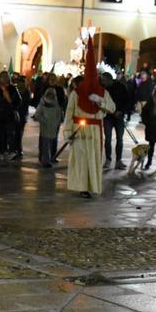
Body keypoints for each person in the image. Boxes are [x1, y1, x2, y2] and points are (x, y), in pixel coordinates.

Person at [63, 40, 114, 197]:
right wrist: (67, 132)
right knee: (81, 160)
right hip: (80, 131)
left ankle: (92, 186)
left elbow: (112, 108)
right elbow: (69, 114)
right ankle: (82, 187)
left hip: (96, 131)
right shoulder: (76, 93)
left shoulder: (103, 93)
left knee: (94, 160)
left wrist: (100, 101)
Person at [100, 71, 133, 170]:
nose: (103, 82)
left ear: (109, 79)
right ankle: (108, 159)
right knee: (108, 139)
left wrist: (122, 112)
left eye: (104, 80)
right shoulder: (102, 88)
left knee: (120, 138)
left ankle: (118, 160)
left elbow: (127, 100)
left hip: (118, 116)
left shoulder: (120, 86)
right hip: (108, 117)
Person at [0, 71, 21, 161]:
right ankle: (1, 152)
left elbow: (18, 102)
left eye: (6, 77)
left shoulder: (12, 89)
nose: (4, 79)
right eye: (2, 77)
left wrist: (8, 98)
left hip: (9, 115)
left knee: (11, 134)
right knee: (0, 134)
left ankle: (12, 151)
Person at [33, 85, 64, 168]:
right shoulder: (42, 104)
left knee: (51, 143)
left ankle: (50, 158)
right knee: (45, 144)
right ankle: (45, 160)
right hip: (46, 127)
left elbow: (59, 114)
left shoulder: (56, 104)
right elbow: (37, 115)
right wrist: (44, 121)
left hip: (53, 127)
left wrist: (58, 121)